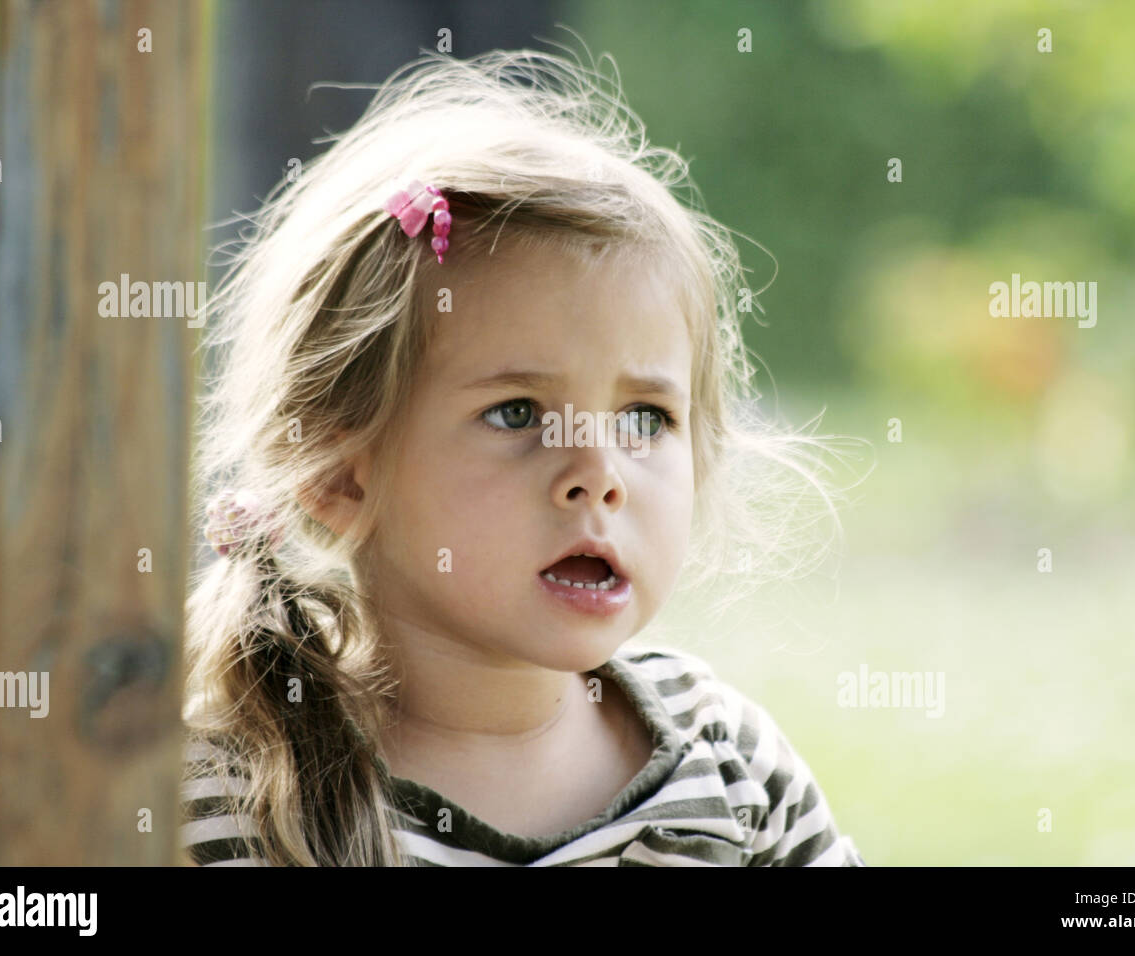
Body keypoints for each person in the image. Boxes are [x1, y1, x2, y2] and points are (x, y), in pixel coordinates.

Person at [178, 45, 867, 867]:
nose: (598, 476)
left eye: (645, 419)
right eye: (517, 413)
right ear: (339, 470)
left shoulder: (734, 771)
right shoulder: (234, 803)